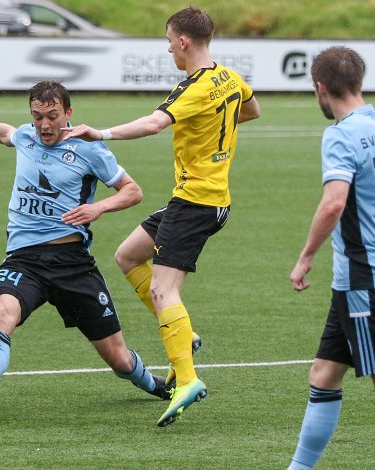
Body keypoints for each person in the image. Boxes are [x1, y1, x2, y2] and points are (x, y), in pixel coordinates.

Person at [62, 7, 261, 427]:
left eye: (169, 39)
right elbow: (251, 109)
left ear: (184, 42)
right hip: (197, 199)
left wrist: (102, 133)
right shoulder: (229, 76)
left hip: (196, 202)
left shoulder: (192, 88)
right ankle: (184, 336)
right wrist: (216, 126)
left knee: (162, 290)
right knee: (128, 256)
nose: (168, 46)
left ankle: (186, 378)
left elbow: (154, 123)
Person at [0, 80, 171, 424]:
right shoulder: (26, 136)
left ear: (68, 113)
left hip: (73, 264)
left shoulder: (89, 148)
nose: (44, 125)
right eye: (37, 116)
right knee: (2, 313)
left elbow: (133, 191)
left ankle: (151, 382)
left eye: (52, 116)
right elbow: (5, 132)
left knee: (119, 359)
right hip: (24, 260)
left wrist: (98, 209)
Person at [288, 46, 375, 469]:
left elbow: (332, 204)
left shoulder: (340, 134)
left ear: (320, 88)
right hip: (350, 283)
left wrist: (305, 256)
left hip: (365, 277)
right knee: (324, 373)